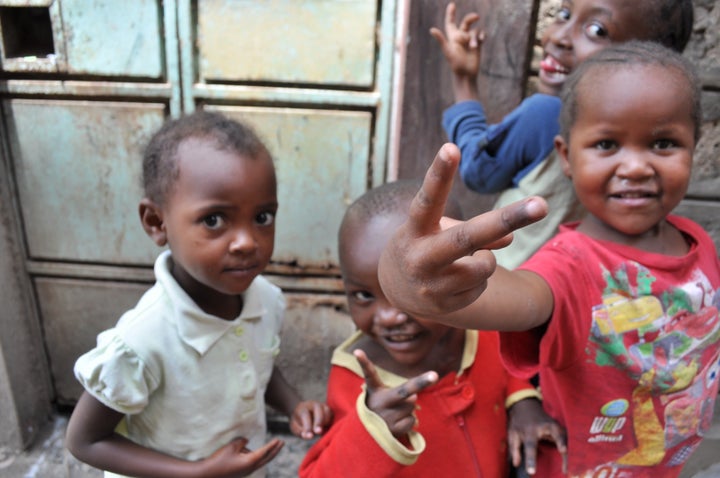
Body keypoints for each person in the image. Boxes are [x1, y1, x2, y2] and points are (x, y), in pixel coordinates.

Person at [378, 41, 720, 477]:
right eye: (607, 144)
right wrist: (404, 279)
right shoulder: (570, 267)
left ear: (694, 147)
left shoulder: (696, 242)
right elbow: (512, 294)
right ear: (566, 157)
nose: (635, 166)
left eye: (663, 143)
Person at [65, 111, 332, 478]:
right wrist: (198, 472)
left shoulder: (266, 300)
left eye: (263, 217)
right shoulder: (141, 341)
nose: (246, 242)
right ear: (157, 223)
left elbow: (255, 368)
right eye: (214, 220)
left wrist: (294, 404)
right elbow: (85, 441)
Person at [299, 179, 566, 477]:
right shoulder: (353, 377)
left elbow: (505, 370)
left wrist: (523, 400)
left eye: (410, 291)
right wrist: (374, 427)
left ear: (459, 277)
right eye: (364, 295)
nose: (389, 316)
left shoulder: (480, 334)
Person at [430, 0, 694, 269]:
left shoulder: (548, 113)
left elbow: (479, 171)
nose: (557, 37)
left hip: (507, 283)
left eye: (597, 30)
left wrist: (463, 82)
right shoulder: (655, 129)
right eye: (564, 14)